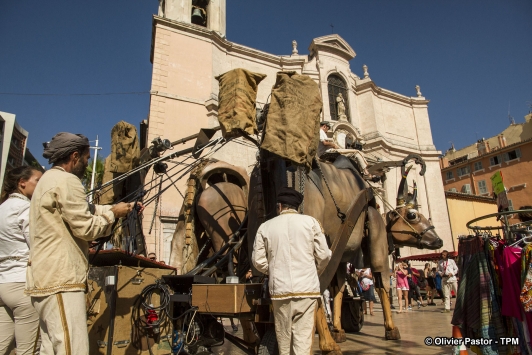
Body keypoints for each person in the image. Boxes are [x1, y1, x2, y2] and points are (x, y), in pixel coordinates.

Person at [26, 132, 136, 355]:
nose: (87, 164)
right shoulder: (68, 181)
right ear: (74, 156)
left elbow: (83, 210)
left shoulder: (49, 179)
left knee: (51, 348)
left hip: (45, 279)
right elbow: (86, 228)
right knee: (72, 348)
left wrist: (117, 209)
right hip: (61, 281)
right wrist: (113, 215)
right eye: (86, 158)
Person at [252, 187, 331, 355]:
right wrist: (314, 270)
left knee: (284, 340)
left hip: (281, 291)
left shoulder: (265, 227)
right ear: (297, 207)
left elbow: (257, 261)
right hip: (307, 290)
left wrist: (273, 269)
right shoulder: (311, 223)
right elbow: (324, 255)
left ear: (279, 206)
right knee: (303, 340)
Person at [0, 166, 43, 355]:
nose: (41, 186)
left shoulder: (2, 208)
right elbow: (38, 244)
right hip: (22, 285)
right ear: (22, 183)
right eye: (38, 181)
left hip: (4, 283)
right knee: (29, 349)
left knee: (2, 345)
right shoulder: (25, 208)